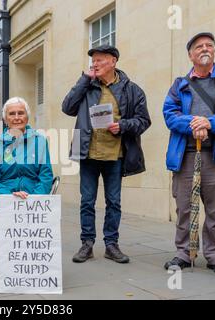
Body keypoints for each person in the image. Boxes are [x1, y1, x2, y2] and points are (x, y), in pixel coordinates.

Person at [163, 32, 215, 276]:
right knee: (184, 208)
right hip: (185, 155)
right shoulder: (179, 84)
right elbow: (169, 114)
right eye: (199, 46)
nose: (205, 48)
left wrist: (209, 123)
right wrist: (193, 123)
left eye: (209, 44)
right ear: (190, 55)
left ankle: (214, 255)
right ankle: (184, 253)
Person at [62, 44, 151, 264]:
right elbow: (67, 107)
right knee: (87, 201)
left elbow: (144, 121)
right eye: (93, 60)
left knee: (114, 202)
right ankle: (87, 244)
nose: (95, 63)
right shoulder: (87, 86)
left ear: (113, 61)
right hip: (88, 154)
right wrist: (84, 80)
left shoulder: (132, 89)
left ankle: (111, 245)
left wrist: (121, 126)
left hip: (116, 156)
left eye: (100, 59)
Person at [0, 97, 53, 204]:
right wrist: (9, 196)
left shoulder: (40, 141)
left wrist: (33, 198)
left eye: (21, 113)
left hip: (35, 202)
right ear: (5, 119)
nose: (16, 117)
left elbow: (46, 176)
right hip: (7, 201)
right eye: (11, 114)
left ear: (27, 117)